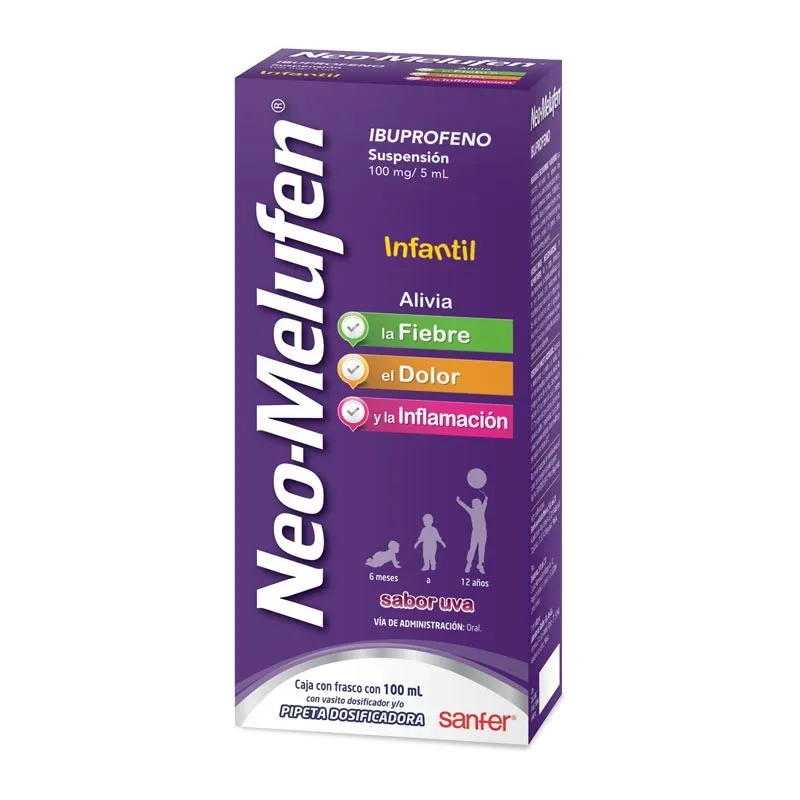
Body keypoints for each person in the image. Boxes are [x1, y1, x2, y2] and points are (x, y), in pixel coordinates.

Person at [456, 490, 488, 574]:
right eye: (474, 504)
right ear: (473, 505)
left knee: (481, 548)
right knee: (473, 547)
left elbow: (485, 502)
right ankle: (469, 564)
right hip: (476, 532)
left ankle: (480, 564)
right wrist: (458, 501)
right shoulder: (472, 511)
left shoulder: (482, 510)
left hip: (483, 532)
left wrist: (486, 498)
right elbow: (464, 506)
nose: (475, 505)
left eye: (477, 503)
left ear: (479, 505)